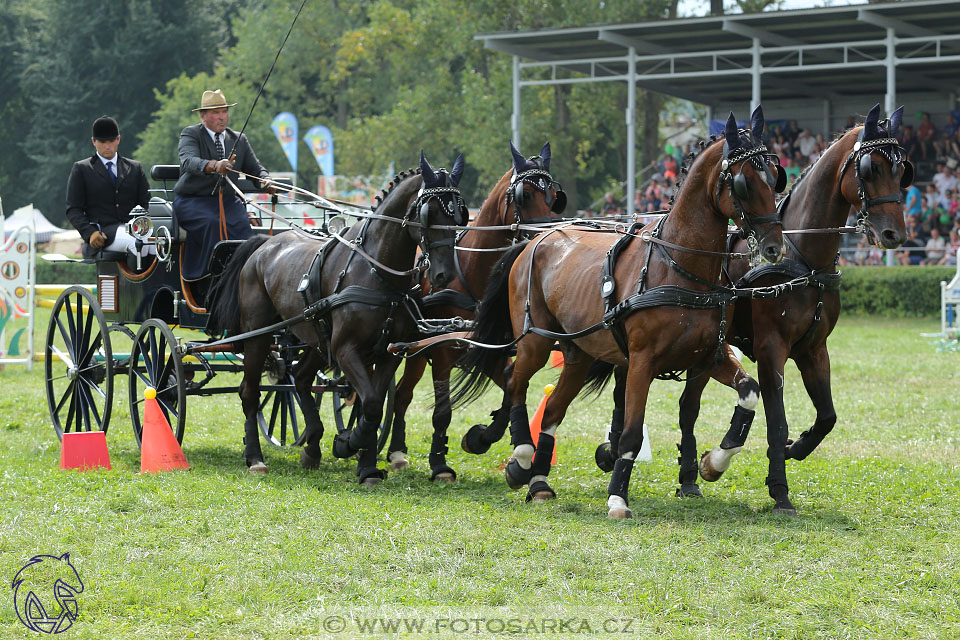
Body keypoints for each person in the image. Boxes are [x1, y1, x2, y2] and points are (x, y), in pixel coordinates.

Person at [173, 89, 275, 280]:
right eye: (215, 113)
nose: (222, 117)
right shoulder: (191, 134)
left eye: (224, 112)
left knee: (244, 230)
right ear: (203, 116)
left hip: (228, 202)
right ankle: (208, 277)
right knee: (213, 224)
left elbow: (255, 169)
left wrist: (265, 181)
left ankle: (244, 278)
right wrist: (213, 165)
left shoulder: (239, 139)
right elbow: (188, 161)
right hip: (193, 201)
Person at [65, 116, 151, 259]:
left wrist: (144, 222)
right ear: (94, 141)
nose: (107, 146)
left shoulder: (134, 168)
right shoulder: (82, 169)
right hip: (103, 233)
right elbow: (73, 209)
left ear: (118, 139)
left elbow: (146, 202)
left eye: (111, 141)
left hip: (135, 227)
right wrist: (89, 232)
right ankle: (138, 281)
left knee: (158, 244)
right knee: (137, 244)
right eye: (102, 142)